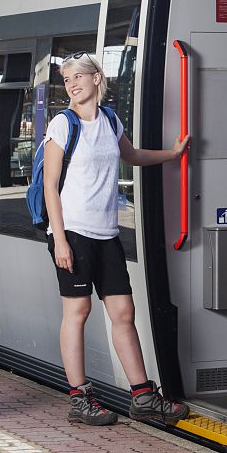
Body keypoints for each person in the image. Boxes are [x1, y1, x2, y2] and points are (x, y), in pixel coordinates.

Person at [43, 51, 190, 426]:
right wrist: (59, 240)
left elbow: (133, 155)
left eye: (78, 76)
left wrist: (172, 155)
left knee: (124, 312)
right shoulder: (63, 123)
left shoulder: (109, 119)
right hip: (73, 232)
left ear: (96, 78)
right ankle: (79, 398)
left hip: (106, 233)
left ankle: (141, 396)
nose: (72, 84)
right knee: (77, 312)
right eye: (66, 79)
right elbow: (49, 185)